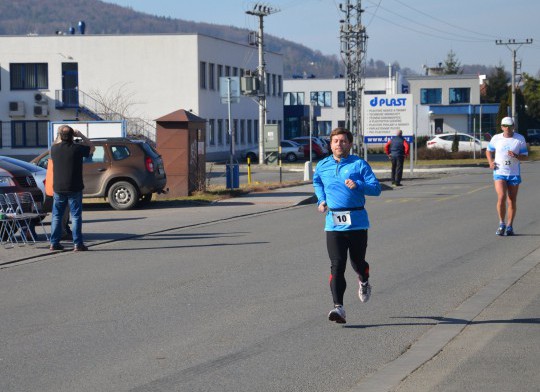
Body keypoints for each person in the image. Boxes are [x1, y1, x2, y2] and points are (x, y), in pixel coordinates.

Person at [313, 127, 382, 324]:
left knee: (357, 263)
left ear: (350, 144)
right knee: (337, 265)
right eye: (336, 141)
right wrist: (321, 200)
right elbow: (317, 182)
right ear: (330, 144)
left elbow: (376, 189)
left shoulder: (359, 164)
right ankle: (339, 308)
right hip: (333, 223)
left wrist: (359, 185)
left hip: (357, 221)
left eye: (343, 141)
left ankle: (364, 280)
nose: (339, 144)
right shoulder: (323, 165)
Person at [49, 126, 95, 251]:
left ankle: (54, 243)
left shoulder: (54, 149)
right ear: (72, 136)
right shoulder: (77, 148)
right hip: (74, 187)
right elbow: (92, 147)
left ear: (60, 136)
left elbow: (56, 143)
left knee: (56, 216)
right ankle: (77, 244)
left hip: (58, 188)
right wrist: (81, 135)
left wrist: (60, 133)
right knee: (75, 216)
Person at [485, 117, 528, 236]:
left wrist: (516, 155)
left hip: (513, 173)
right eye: (505, 126)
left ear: (513, 126)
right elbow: (488, 150)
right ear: (501, 127)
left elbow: (525, 156)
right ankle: (501, 223)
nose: (507, 128)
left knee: (512, 200)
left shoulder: (519, 138)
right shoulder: (496, 138)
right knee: (501, 196)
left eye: (510, 126)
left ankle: (509, 226)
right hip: (499, 172)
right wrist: (490, 162)